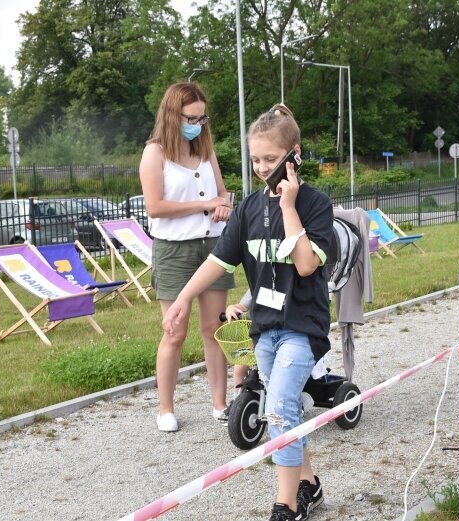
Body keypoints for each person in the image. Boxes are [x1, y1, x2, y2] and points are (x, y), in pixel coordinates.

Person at [163, 104, 332, 521]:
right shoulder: (248, 210)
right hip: (266, 330)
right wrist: (183, 298)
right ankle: (308, 483)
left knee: (277, 408)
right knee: (284, 411)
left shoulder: (314, 205)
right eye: (255, 159)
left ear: (295, 154)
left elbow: (307, 264)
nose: (261, 168)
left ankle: (286, 505)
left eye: (271, 159)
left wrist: (288, 207)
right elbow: (219, 262)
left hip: (302, 329)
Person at [139, 82, 235, 433]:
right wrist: (205, 204)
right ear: (172, 114)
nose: (198, 123)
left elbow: (222, 194)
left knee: (214, 328)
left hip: (213, 247)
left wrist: (222, 205)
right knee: (175, 331)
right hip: (174, 250)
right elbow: (155, 207)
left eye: (202, 117)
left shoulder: (205, 148)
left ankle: (220, 404)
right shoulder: (155, 153)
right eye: (191, 117)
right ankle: (166, 408)